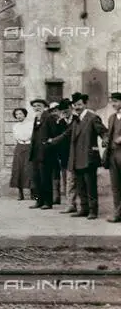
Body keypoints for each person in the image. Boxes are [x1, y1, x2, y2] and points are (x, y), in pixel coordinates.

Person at [48, 92, 108, 220]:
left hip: (88, 157)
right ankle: (84, 209)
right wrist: (52, 141)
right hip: (76, 158)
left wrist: (105, 140)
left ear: (85, 104)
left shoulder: (92, 117)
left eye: (79, 104)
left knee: (90, 186)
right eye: (75, 105)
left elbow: (103, 131)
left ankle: (93, 210)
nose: (77, 107)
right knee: (80, 185)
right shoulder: (76, 120)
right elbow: (65, 135)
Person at [28, 98, 59, 210]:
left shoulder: (49, 117)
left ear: (44, 106)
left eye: (39, 105)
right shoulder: (36, 118)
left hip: (45, 153)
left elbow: (54, 134)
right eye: (35, 106)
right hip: (36, 153)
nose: (36, 108)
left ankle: (48, 202)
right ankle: (39, 201)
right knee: (36, 179)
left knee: (45, 178)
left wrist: (48, 146)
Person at [56, 99, 78, 214]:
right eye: (62, 111)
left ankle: (78, 204)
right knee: (67, 181)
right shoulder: (60, 123)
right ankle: (70, 204)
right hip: (64, 156)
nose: (65, 112)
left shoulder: (77, 120)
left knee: (76, 180)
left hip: (77, 154)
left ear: (71, 108)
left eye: (66, 110)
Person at [101, 92, 121, 223]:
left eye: (116, 101)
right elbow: (109, 133)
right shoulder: (112, 117)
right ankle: (117, 213)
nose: (114, 104)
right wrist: (106, 139)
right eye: (112, 101)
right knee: (115, 186)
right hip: (113, 155)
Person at [9, 107, 34, 201]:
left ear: (24, 114)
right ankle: (20, 193)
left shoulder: (31, 124)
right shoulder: (15, 126)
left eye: (20, 114)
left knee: (29, 168)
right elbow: (15, 138)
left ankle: (33, 193)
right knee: (18, 169)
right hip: (19, 147)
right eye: (17, 115)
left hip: (29, 146)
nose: (18, 116)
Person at [49, 102, 62, 204]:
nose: (55, 113)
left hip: (64, 150)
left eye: (56, 110)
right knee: (54, 173)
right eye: (52, 111)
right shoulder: (50, 122)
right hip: (53, 151)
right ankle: (56, 196)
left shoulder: (63, 121)